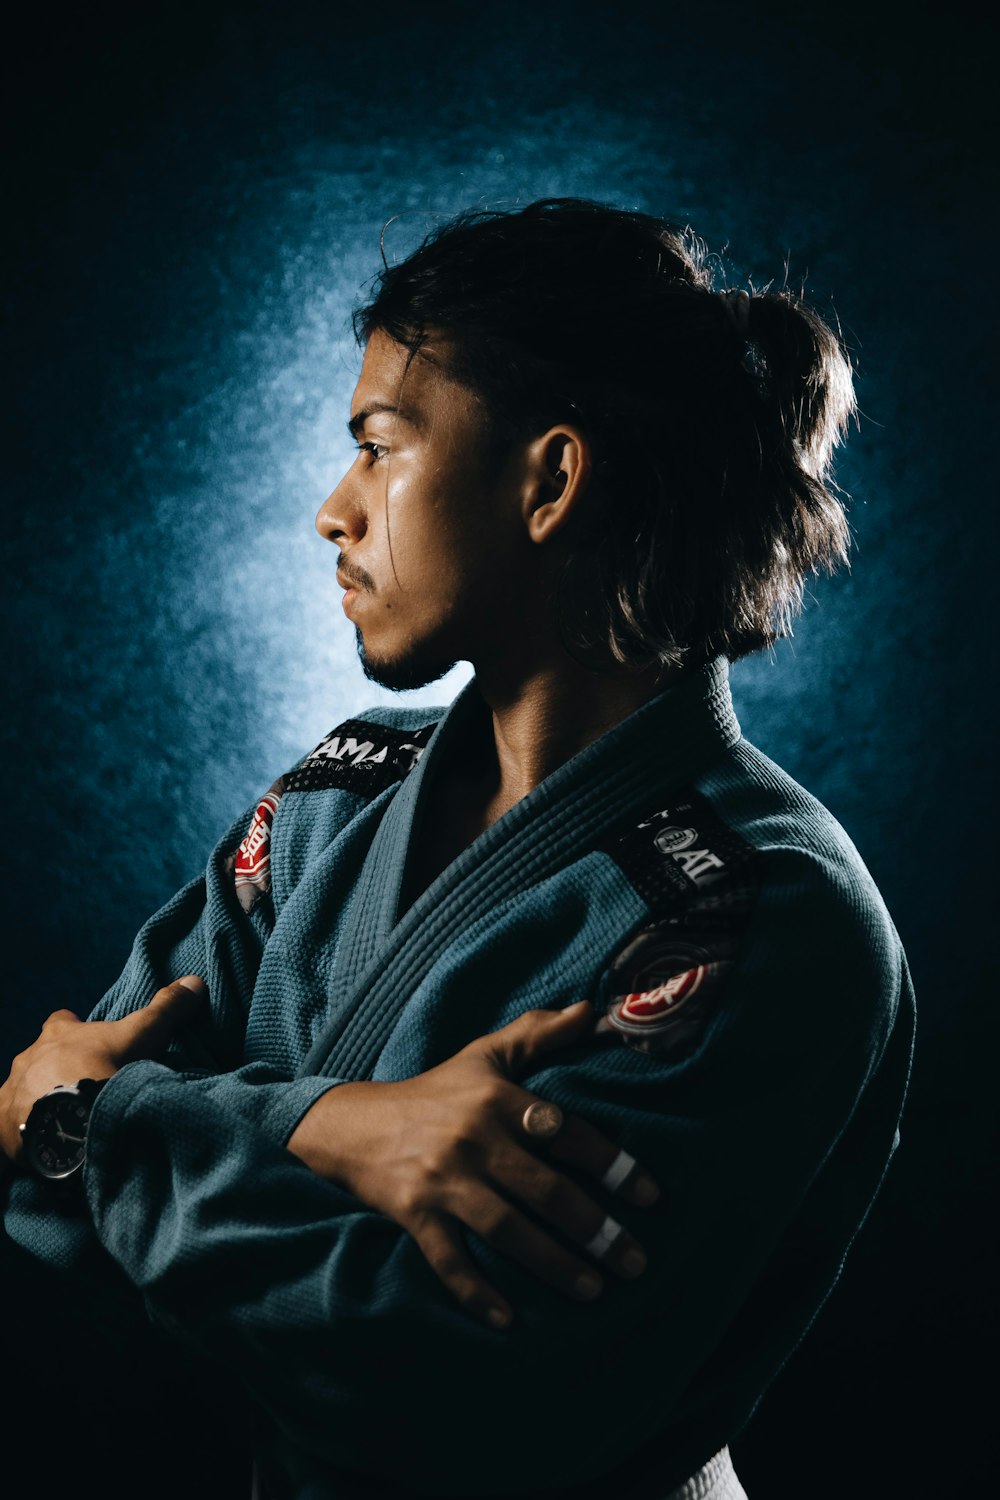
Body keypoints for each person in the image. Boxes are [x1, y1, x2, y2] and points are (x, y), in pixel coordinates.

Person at [0, 198, 914, 1500]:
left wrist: (99, 1119)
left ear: (547, 479)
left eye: (379, 447)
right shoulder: (339, 792)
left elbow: (424, 1384)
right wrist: (337, 1128)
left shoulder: (767, 914)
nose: (335, 509)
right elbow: (40, 1220)